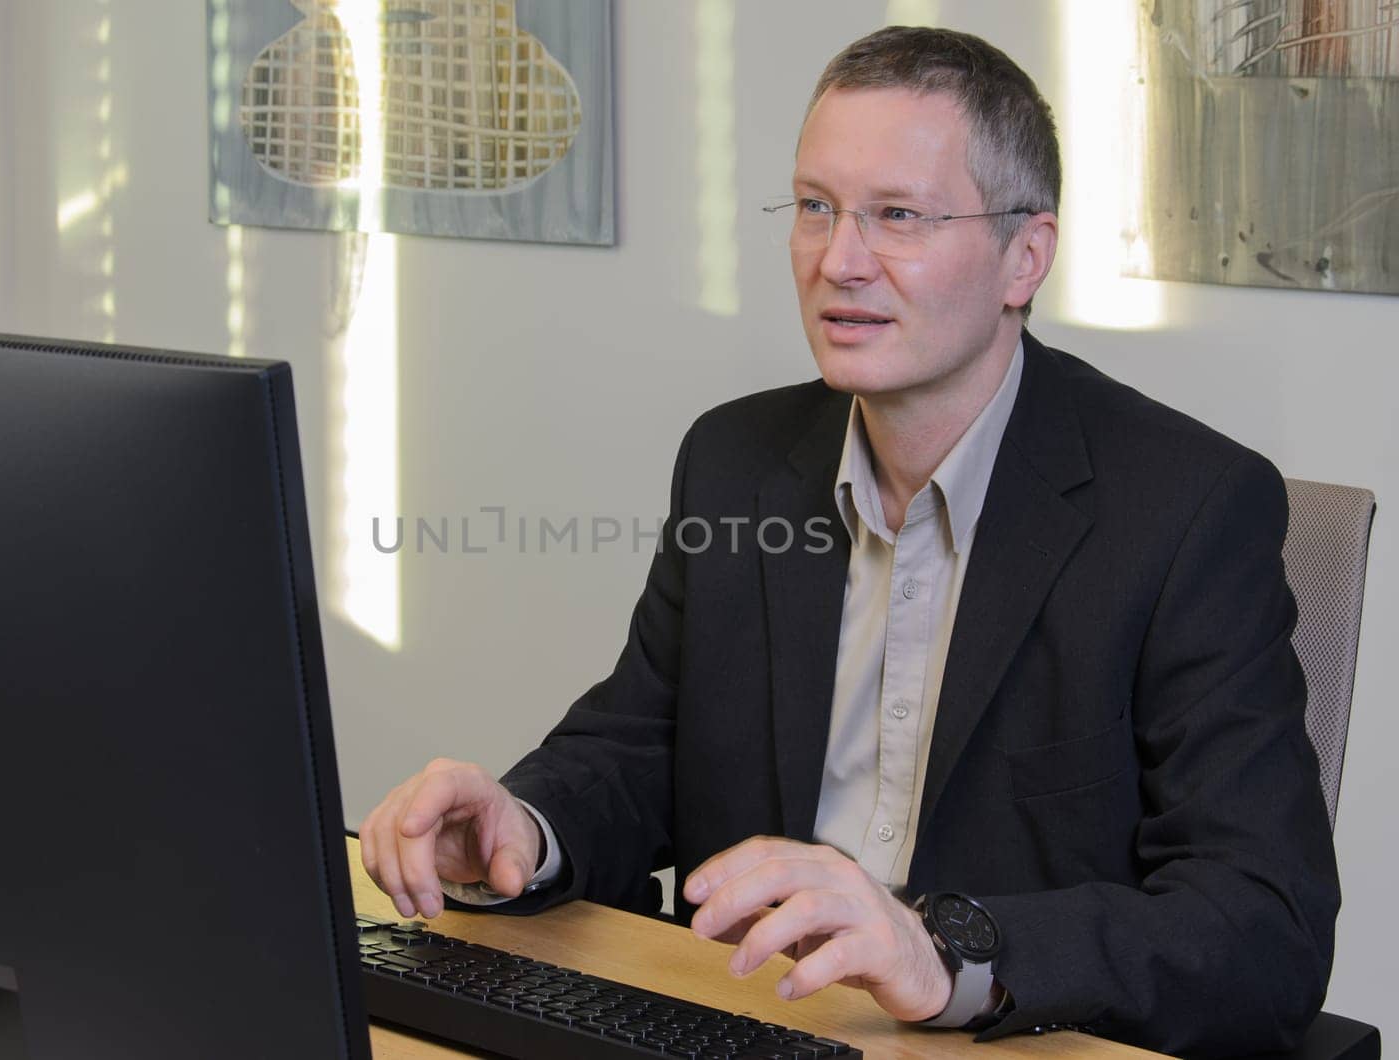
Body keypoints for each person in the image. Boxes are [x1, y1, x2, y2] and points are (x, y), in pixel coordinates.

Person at [359, 26, 1338, 1056]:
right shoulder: (734, 458)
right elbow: (642, 743)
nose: (840, 261)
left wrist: (945, 951)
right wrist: (526, 829)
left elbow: (1261, 923)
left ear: (1024, 256)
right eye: (816, 207)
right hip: (750, 1022)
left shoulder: (1186, 508)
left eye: (898, 216)